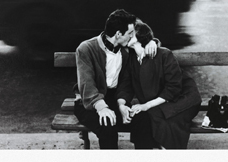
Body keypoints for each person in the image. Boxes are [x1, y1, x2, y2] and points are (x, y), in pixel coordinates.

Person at [73, 9, 158, 149]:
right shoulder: (86, 48)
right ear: (118, 34)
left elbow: (125, 83)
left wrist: (151, 42)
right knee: (107, 126)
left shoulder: (125, 50)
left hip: (114, 99)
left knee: (143, 119)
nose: (132, 37)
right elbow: (87, 85)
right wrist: (102, 107)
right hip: (88, 103)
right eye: (130, 34)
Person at [116, 21, 202, 149]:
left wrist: (146, 105)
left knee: (158, 119)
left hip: (182, 99)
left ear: (139, 37)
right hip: (159, 101)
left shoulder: (164, 54)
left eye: (130, 33)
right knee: (140, 117)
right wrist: (121, 105)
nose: (125, 35)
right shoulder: (131, 57)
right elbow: (126, 85)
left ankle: (164, 149)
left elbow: (173, 88)